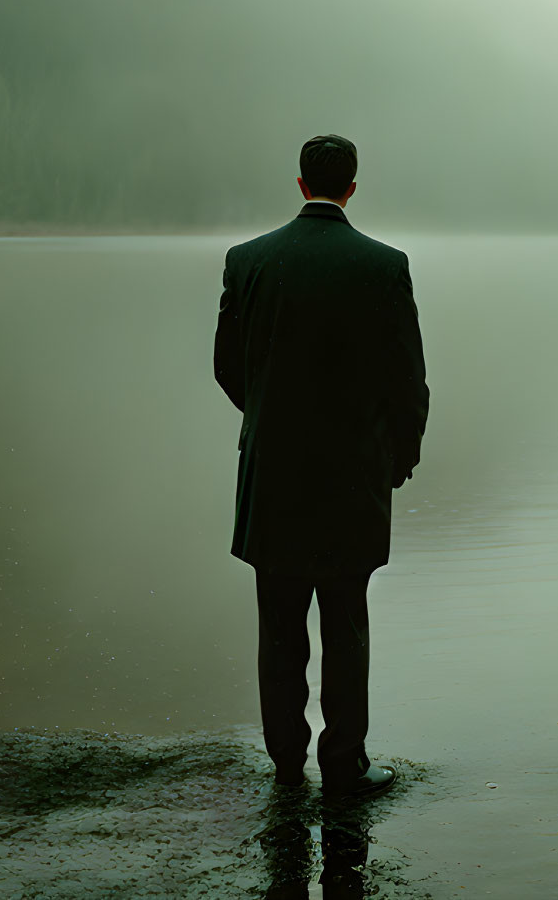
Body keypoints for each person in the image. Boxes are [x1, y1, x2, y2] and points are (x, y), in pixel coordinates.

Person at [214, 134, 429, 799]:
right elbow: (408, 384)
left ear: (301, 183)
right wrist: (396, 460)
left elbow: (228, 367)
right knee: (345, 626)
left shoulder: (247, 261)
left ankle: (285, 768)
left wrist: (267, 421)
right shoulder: (384, 265)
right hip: (352, 479)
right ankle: (344, 763)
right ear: (351, 188)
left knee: (277, 628)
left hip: (272, 476)